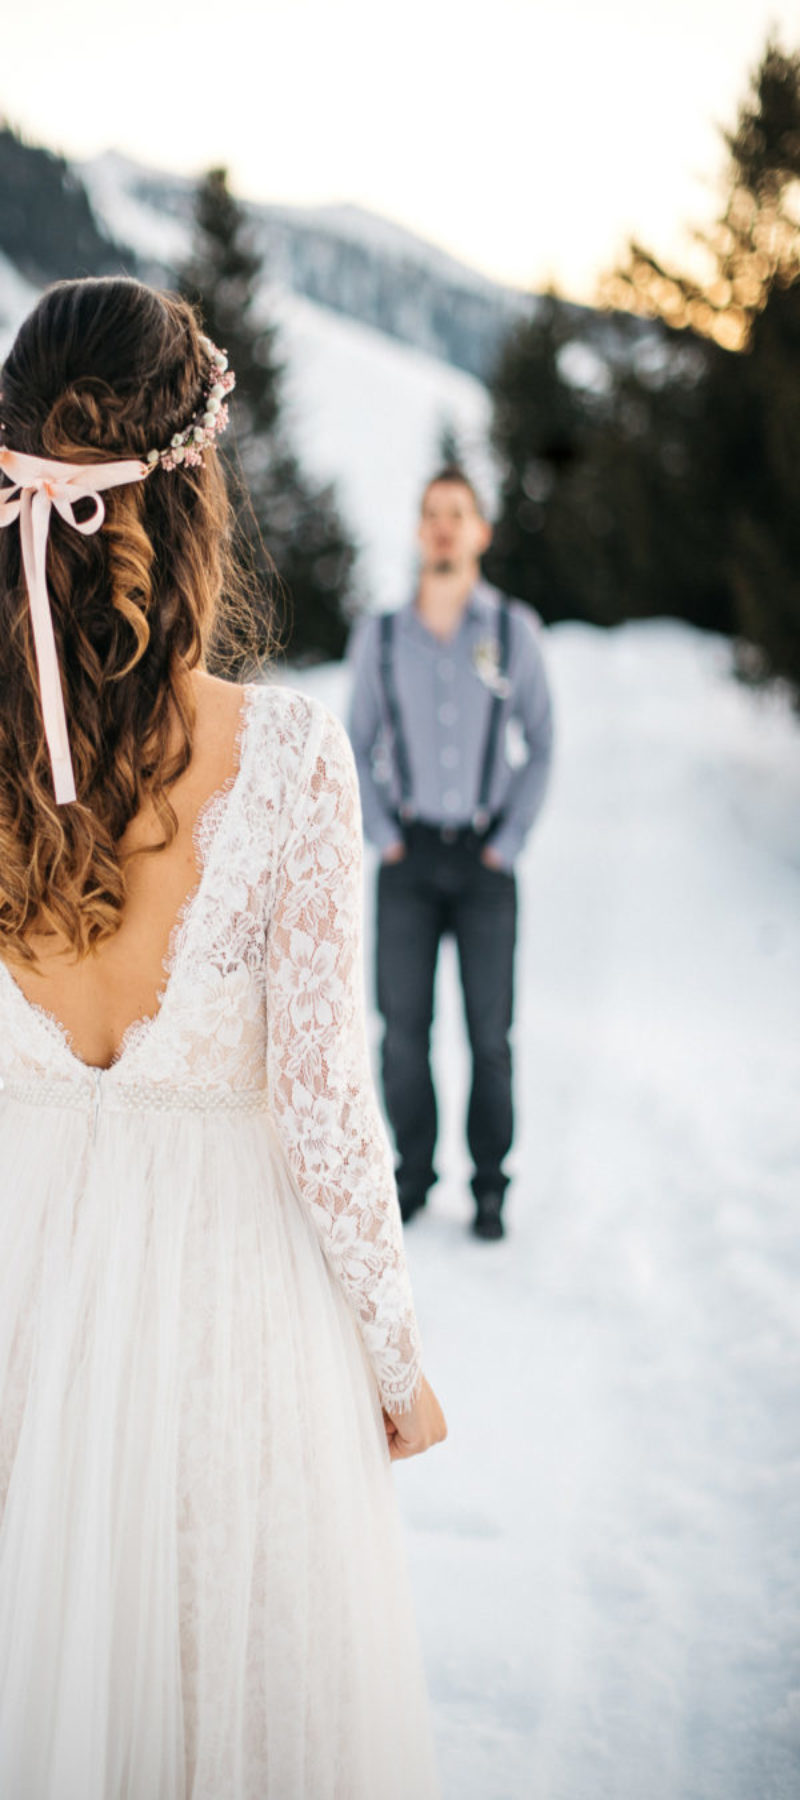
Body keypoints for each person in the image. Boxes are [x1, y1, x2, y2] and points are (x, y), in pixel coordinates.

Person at [0, 277, 446, 1799]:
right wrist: (396, 1367)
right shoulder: (293, 761)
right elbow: (328, 1117)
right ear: (192, 492)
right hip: (225, 1322)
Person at [348, 466, 553, 1240]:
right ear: (418, 530)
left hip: (483, 865)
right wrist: (385, 836)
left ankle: (491, 1185)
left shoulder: (510, 631)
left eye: (457, 514)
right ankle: (414, 1174)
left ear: (480, 533)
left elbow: (544, 742)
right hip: (406, 861)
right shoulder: (383, 636)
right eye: (431, 513)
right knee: (401, 1031)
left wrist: (508, 842)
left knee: (489, 1037)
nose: (443, 526)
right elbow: (355, 743)